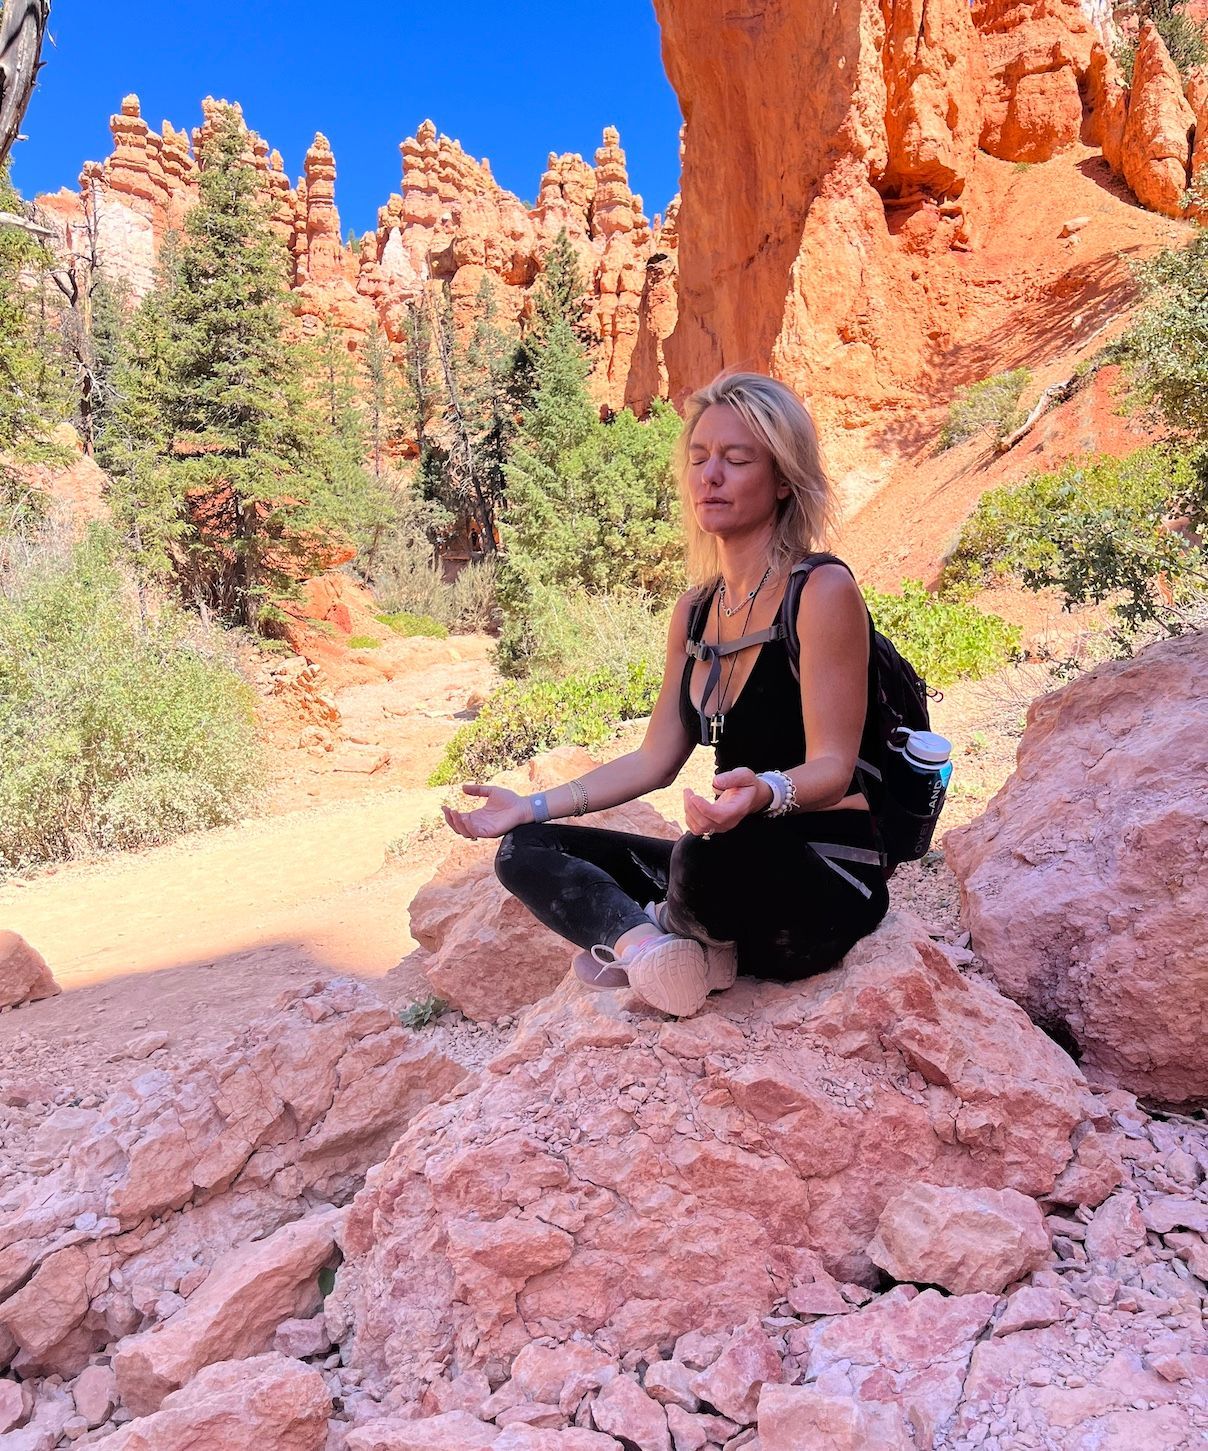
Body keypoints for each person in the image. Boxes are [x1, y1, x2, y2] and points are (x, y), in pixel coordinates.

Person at [441, 371, 889, 1018]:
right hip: (726, 870)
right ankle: (655, 949)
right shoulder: (697, 611)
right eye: (699, 458)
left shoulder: (820, 592)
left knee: (702, 858)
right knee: (527, 850)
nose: (711, 476)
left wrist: (765, 792)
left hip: (824, 877)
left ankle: (676, 935)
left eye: (737, 459)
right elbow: (654, 759)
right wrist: (529, 806)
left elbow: (833, 767)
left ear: (783, 479)